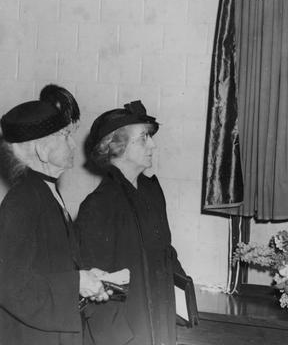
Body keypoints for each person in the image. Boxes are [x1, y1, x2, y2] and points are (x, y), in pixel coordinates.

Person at [0, 84, 109, 345]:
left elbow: (46, 267)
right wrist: (76, 283)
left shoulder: (45, 191)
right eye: (64, 136)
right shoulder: (23, 200)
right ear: (42, 150)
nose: (73, 143)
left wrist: (85, 277)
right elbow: (8, 283)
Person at [75, 100, 188, 345]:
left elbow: (166, 253)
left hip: (160, 325)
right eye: (144, 138)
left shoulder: (152, 192)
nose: (153, 144)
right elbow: (99, 293)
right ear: (116, 146)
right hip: (126, 335)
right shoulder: (98, 206)